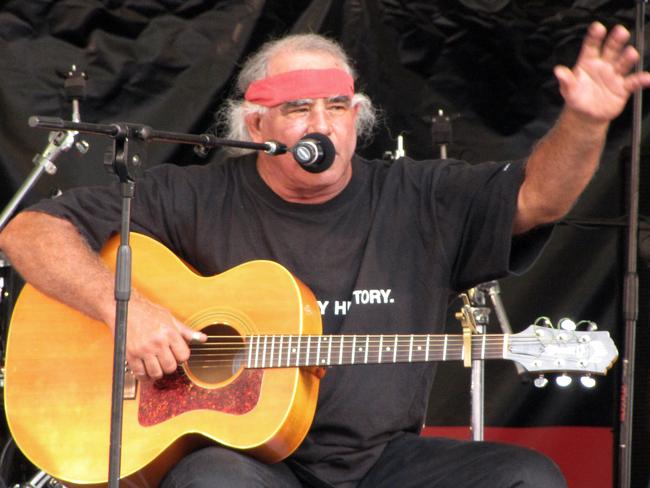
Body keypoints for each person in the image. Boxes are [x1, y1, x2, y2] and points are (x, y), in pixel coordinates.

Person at [0, 21, 647, 488]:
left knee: (526, 477)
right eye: (299, 109)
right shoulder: (191, 197)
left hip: (383, 465)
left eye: (338, 107)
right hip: (248, 465)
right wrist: (130, 313)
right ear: (256, 127)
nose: (322, 124)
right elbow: (27, 232)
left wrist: (586, 121)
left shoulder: (418, 197)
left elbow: (539, 199)